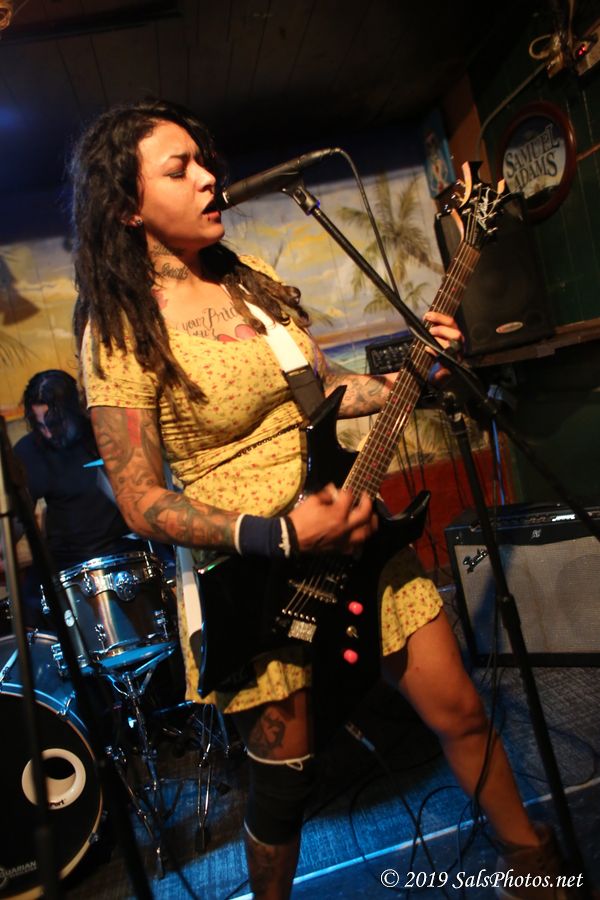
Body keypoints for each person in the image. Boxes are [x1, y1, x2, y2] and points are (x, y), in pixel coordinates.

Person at [70, 99, 577, 899]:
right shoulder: (121, 326)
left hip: (357, 534)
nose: (208, 178)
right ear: (128, 206)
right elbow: (139, 501)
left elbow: (327, 389)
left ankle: (536, 870)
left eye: (206, 161)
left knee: (462, 712)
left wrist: (413, 374)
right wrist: (279, 534)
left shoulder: (248, 284)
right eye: (179, 169)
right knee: (284, 787)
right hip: (257, 579)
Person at [10, 370, 151, 627]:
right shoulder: (29, 450)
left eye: (54, 423)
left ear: (73, 412)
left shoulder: (102, 433)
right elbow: (19, 519)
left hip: (122, 551)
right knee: (28, 611)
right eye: (39, 425)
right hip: (67, 564)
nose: (48, 433)